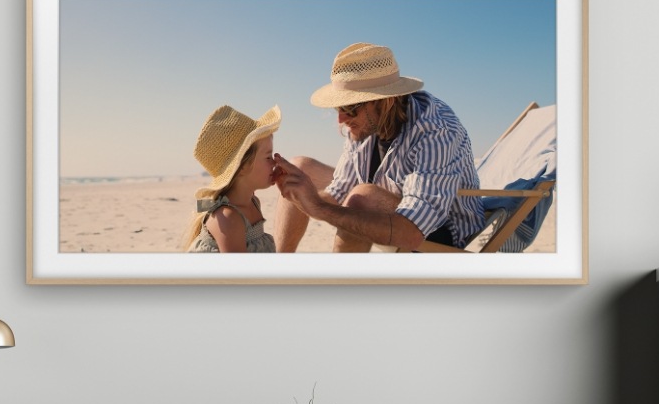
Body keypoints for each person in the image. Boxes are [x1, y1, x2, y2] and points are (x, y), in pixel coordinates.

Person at [273, 42, 485, 252]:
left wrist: (320, 209)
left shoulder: (437, 130)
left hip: (438, 231)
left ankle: (339, 284)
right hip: (391, 203)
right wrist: (303, 196)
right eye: (339, 107)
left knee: (363, 197)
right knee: (298, 169)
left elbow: (412, 232)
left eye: (349, 108)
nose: (341, 119)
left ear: (386, 101)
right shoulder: (363, 125)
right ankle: (277, 274)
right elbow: (341, 190)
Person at [184, 104, 281, 253]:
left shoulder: (253, 202)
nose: (274, 161)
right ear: (242, 167)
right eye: (268, 157)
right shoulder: (228, 219)